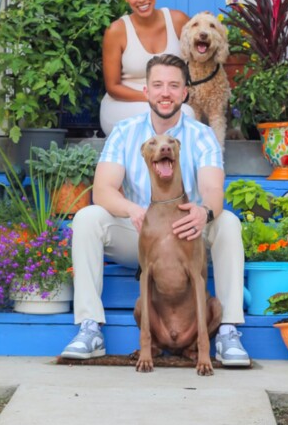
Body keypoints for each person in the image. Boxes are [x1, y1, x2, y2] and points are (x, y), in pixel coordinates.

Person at [61, 53, 250, 367]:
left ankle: (228, 330)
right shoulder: (125, 132)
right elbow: (103, 189)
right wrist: (132, 209)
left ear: (185, 92)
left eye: (174, 85)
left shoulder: (201, 135)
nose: (166, 92)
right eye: (158, 85)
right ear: (146, 91)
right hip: (140, 235)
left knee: (227, 222)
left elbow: (214, 190)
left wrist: (203, 212)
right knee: (87, 218)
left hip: (187, 236)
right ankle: (90, 327)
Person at [99, 0, 194, 135]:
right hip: (125, 103)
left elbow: (201, 60)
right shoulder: (116, 31)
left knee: (186, 114)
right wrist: (152, 97)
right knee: (163, 118)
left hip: (170, 100)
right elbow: (113, 87)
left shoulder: (178, 20)